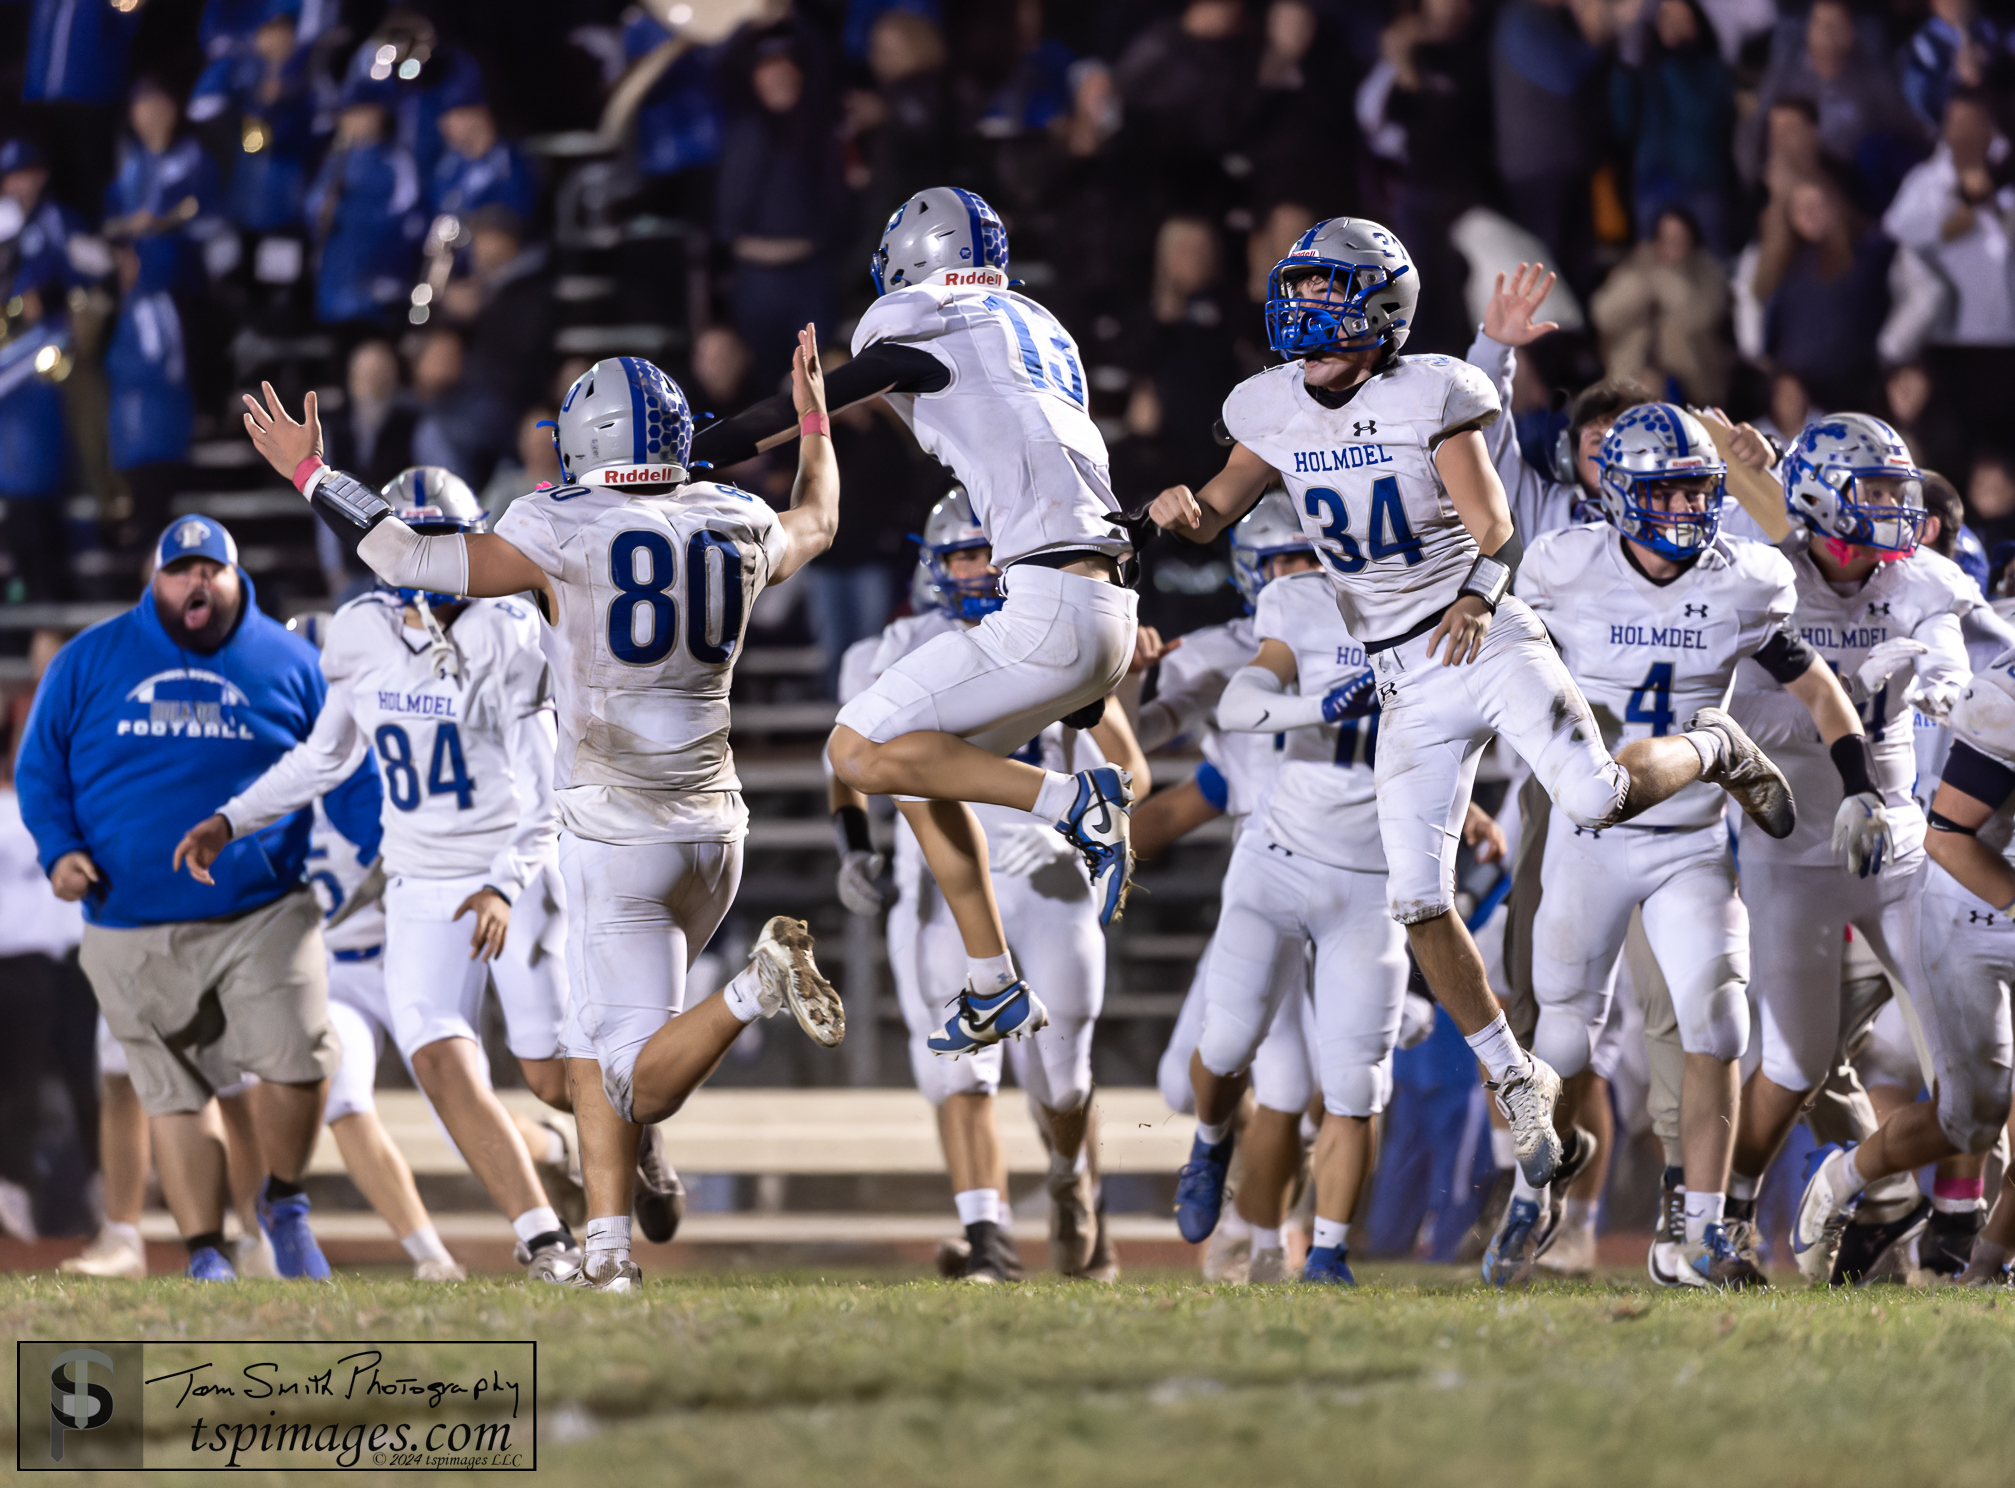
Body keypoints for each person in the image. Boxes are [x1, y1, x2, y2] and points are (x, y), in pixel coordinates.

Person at [1146, 216, 1803, 1202]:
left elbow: (1493, 523)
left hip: (1480, 637)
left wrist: (1472, 594)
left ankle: (1712, 746)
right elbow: (1219, 505)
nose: (1305, 308)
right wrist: (1179, 515)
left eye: (1329, 292)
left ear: (1380, 309)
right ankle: (1512, 1077)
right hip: (1400, 673)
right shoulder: (1269, 406)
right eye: (1303, 288)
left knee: (1591, 795)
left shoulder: (1433, 392)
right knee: (1416, 901)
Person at [237, 330, 846, 1294]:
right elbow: (817, 517)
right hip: (716, 828)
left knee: (626, 1071)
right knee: (600, 1040)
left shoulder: (558, 524)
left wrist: (312, 471)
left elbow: (402, 551)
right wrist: (813, 418)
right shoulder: (736, 515)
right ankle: (607, 1252)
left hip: (616, 826)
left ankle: (753, 990)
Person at [696, 188, 1144, 1063]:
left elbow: (798, 412)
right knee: (912, 762)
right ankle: (993, 984)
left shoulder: (935, 322)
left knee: (855, 747)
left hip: (1051, 599)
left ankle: (1072, 803)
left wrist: (680, 455)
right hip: (1104, 601)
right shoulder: (1037, 333)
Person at [173, 469, 601, 1284]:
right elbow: (325, 757)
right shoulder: (361, 631)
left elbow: (551, 792)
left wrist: (505, 884)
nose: (426, 565)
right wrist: (234, 817)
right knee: (438, 1054)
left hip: (512, 860)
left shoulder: (508, 631)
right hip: (421, 880)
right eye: (416, 543)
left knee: (548, 1075)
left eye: (445, 544)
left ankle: (636, 1142)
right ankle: (546, 1242)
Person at [1496, 402, 1872, 1289]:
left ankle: (1702, 1235)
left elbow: (1817, 688)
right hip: (1589, 836)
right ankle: (1529, 1192)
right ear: (1620, 494)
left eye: (1696, 490)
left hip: (1689, 840)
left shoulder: (1741, 579)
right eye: (1663, 490)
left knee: (1718, 1022)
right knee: (1564, 1040)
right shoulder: (1567, 567)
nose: (1682, 508)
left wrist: (1859, 786)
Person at [16, 516, 342, 1282]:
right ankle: (205, 1254)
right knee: (172, 1093)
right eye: (180, 569)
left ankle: (283, 1205)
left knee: (298, 1061)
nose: (196, 582)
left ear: (237, 579)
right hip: (131, 917)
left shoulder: (292, 662)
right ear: (153, 581)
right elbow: (40, 773)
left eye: (211, 569)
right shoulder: (87, 660)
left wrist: (372, 857)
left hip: (262, 907)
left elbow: (345, 765)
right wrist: (61, 851)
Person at [833, 487, 1145, 1281]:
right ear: (935, 565)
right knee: (958, 1069)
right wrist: (854, 848)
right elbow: (846, 766)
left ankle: (1074, 1181)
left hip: (1043, 868)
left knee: (1061, 1073)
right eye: (961, 553)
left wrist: (1079, 824)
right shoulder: (898, 644)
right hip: (941, 870)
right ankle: (989, 1240)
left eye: (986, 550)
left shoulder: (1042, 633)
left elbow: (1128, 763)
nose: (976, 568)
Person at [1720, 412, 1976, 1280]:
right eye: (1870, 490)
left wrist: (1940, 680)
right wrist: (1803, 718)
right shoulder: (1761, 575)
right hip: (1791, 847)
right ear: (1822, 497)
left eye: (1896, 490)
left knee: (1974, 1079)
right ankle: (1723, 1216)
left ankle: (1864, 1190)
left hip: (1898, 847)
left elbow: (1952, 652)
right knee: (1790, 1063)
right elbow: (1714, 706)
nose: (1891, 509)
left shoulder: (1920, 578)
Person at [1187, 522, 1408, 1286]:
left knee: (1356, 1081)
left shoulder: (1451, 608)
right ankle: (1213, 1137)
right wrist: (1322, 703)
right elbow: (1239, 706)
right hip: (1277, 859)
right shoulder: (1297, 600)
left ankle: (1327, 1255)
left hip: (1374, 878)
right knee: (1226, 1044)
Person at [1138, 493, 1330, 1283]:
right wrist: (1123, 683)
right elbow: (1135, 746)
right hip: (1264, 858)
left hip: (1355, 858)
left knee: (1315, 1081)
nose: (1293, 575)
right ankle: (1257, 1182)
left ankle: (1265, 1235)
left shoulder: (1368, 634)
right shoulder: (1215, 649)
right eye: (1278, 561)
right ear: (1252, 572)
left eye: (1306, 558)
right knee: (1186, 1080)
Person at [1793, 646, 2015, 1283]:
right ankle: (1842, 1179)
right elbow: (1948, 837)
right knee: (1970, 1117)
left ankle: (1985, 1267)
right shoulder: (2006, 693)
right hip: (1973, 917)